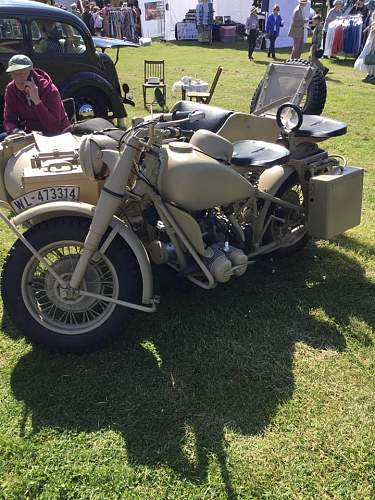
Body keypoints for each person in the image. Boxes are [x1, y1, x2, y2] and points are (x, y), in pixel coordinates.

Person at [2, 54, 70, 138]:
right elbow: (9, 120)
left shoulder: (50, 90)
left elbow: (54, 127)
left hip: (55, 135)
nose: (19, 78)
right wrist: (16, 131)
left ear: (31, 73)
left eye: (23, 72)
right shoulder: (11, 89)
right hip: (29, 134)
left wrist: (37, 101)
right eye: (14, 74)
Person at [354, 10, 375, 80]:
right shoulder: (373, 25)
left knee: (369, 60)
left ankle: (371, 74)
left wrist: (372, 48)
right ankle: (370, 74)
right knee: (368, 60)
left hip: (371, 45)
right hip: (370, 44)